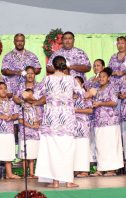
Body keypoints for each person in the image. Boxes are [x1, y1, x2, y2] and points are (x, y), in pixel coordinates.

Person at [23, 56, 92, 188]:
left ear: (53, 67)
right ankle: (68, 181)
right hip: (67, 117)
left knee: (53, 148)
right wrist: (92, 92)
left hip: (51, 117)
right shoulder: (71, 79)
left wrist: (25, 95)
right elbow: (84, 95)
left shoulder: (47, 79)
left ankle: (55, 181)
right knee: (67, 148)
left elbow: (35, 97)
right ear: (65, 66)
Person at [91, 67, 124, 177]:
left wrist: (100, 104)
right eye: (99, 77)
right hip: (98, 121)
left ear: (109, 78)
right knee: (100, 145)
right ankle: (101, 168)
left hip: (110, 122)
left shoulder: (111, 88)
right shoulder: (96, 89)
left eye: (103, 77)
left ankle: (112, 169)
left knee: (111, 145)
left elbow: (114, 102)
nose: (100, 79)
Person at [18, 89, 43, 179]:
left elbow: (39, 119)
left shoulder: (38, 108)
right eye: (29, 95)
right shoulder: (23, 107)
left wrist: (37, 124)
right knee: (26, 155)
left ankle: (32, 172)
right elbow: (20, 120)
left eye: (33, 95)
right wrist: (30, 126)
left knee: (32, 155)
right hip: (26, 134)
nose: (31, 97)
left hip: (35, 135)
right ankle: (25, 173)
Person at [84, 59, 105, 163]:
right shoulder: (90, 79)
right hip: (89, 111)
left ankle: (98, 159)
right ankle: (91, 159)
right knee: (90, 136)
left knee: (99, 137)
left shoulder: (104, 80)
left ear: (103, 67)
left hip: (99, 111)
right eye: (94, 65)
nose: (96, 67)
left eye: (98, 65)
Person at [73, 76, 93, 178]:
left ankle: (84, 170)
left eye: (77, 83)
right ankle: (76, 169)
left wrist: (76, 111)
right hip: (72, 127)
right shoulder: (69, 97)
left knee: (83, 147)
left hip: (83, 125)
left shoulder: (85, 96)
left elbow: (89, 110)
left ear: (82, 85)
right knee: (74, 148)